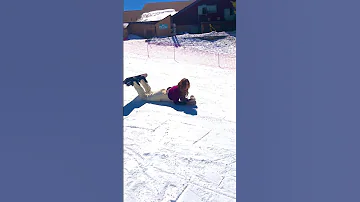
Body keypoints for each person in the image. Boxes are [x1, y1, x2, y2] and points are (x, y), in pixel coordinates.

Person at [124, 75, 194, 105]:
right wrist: (185, 103)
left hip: (162, 92)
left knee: (149, 92)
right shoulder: (177, 91)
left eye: (188, 85)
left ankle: (141, 79)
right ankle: (134, 82)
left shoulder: (179, 87)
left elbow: (170, 89)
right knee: (144, 97)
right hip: (160, 96)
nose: (187, 87)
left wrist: (188, 100)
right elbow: (176, 102)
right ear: (183, 85)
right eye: (186, 85)